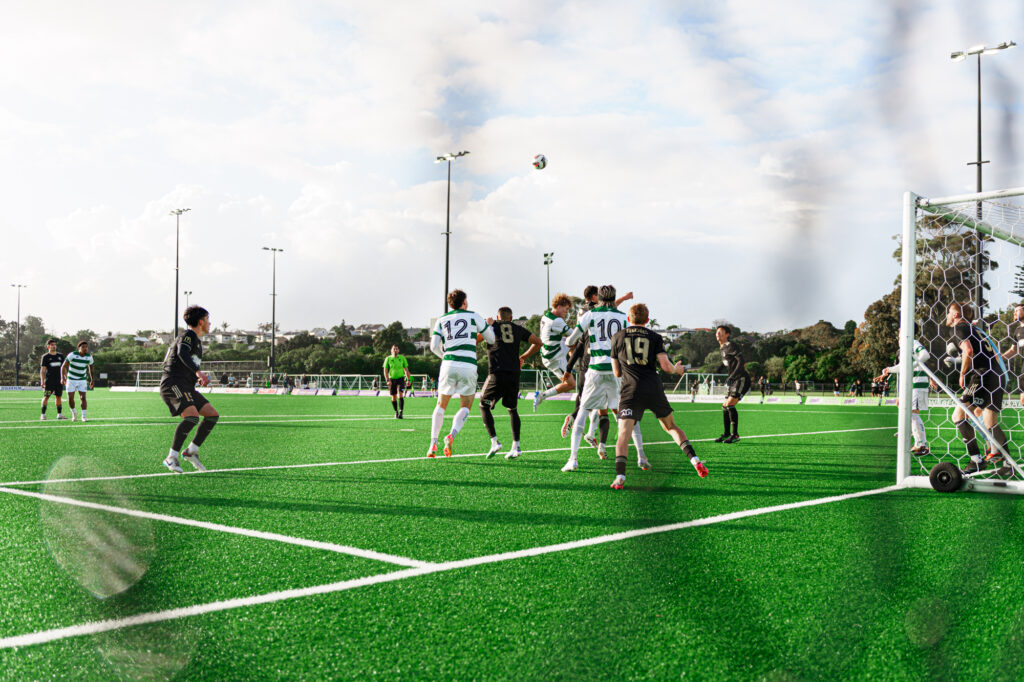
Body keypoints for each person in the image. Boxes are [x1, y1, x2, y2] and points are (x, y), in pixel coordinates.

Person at [609, 303, 708, 489]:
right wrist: (677, 369)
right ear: (647, 320)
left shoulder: (617, 337)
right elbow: (665, 366)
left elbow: (616, 373)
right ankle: (695, 460)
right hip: (653, 387)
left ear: (628, 319)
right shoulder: (654, 337)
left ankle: (620, 476)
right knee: (671, 427)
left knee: (623, 434)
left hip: (631, 390)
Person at [561, 285, 644, 472]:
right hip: (617, 371)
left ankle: (573, 459)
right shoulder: (624, 317)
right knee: (626, 414)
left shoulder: (589, 315)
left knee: (583, 411)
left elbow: (570, 340)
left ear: (598, 298)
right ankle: (641, 456)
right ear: (614, 297)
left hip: (595, 370)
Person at [427, 289, 496, 457]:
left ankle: (432, 444)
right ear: (464, 302)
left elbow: (433, 346)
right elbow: (492, 339)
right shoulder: (474, 316)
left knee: (441, 405)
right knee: (465, 406)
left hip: (448, 364)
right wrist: (488, 325)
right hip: (468, 365)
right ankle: (451, 435)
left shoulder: (442, 319)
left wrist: (445, 357)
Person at [945, 302, 1008, 474]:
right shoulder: (977, 330)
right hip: (996, 374)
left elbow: (969, 350)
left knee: (959, 415)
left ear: (956, 315)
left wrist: (962, 373)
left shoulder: (958, 328)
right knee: (989, 422)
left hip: (981, 375)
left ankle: (976, 461)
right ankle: (1008, 466)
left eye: (949, 312)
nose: (947, 316)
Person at [159, 305, 218, 473]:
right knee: (192, 417)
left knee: (212, 415)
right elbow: (181, 353)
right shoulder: (188, 335)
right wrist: (199, 372)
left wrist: (195, 378)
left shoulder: (196, 341)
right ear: (200, 322)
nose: (209, 323)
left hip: (186, 385)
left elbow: (183, 361)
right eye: (207, 319)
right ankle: (171, 457)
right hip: (173, 383)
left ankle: (191, 452)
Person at [479, 307, 542, 459]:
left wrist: (487, 326)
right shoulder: (517, 328)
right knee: (512, 409)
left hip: (497, 372)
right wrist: (524, 356)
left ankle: (494, 441)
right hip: (514, 373)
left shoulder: (492, 326)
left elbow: (476, 339)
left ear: (497, 316)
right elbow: (538, 343)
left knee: (483, 405)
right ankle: (516, 446)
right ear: (511, 318)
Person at [875, 331, 930, 456]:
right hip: (912, 384)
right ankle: (911, 435)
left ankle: (922, 445)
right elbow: (903, 367)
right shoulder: (904, 348)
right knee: (909, 411)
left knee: (912, 412)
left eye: (900, 334)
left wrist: (911, 366)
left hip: (917, 382)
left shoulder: (913, 343)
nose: (898, 337)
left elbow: (925, 355)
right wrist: (888, 370)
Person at [532, 293, 576, 410]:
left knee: (574, 343)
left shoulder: (546, 316)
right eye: (566, 309)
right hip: (555, 357)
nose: (567, 312)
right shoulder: (557, 321)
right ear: (558, 306)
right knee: (571, 384)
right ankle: (543, 395)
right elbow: (575, 335)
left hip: (553, 350)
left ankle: (573, 364)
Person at [713, 325, 750, 443]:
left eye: (720, 332)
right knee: (724, 406)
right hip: (734, 380)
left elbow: (741, 361)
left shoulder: (731, 345)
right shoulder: (722, 348)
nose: (717, 334)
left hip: (741, 379)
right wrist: (718, 369)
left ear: (727, 334)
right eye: (716, 332)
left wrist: (733, 376)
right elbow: (728, 362)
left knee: (729, 404)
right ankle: (727, 433)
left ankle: (735, 435)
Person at [60, 341, 94, 422]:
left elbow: (91, 369)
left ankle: (84, 416)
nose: (85, 348)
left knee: (83, 397)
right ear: (79, 348)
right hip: (71, 379)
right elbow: (63, 366)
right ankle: (74, 412)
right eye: (83, 347)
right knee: (70, 398)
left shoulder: (89, 357)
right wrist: (62, 378)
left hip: (82, 380)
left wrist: (92, 380)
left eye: (86, 347)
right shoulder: (72, 355)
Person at [39, 339, 67, 420]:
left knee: (58, 397)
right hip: (49, 381)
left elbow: (64, 368)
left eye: (55, 344)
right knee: (46, 396)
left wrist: (66, 377)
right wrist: (42, 381)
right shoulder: (45, 357)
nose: (54, 346)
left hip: (59, 381)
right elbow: (43, 370)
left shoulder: (60, 356)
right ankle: (43, 415)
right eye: (52, 345)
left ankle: (59, 414)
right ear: (48, 346)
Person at [383, 345, 412, 418]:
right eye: (394, 349)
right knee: (393, 397)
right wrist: (387, 379)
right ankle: (396, 412)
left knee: (400, 394)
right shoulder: (388, 358)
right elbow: (385, 370)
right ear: (391, 350)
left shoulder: (402, 358)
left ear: (398, 350)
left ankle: (401, 412)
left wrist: (408, 379)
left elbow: (406, 369)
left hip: (400, 378)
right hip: (392, 379)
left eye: (396, 349)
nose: (395, 350)